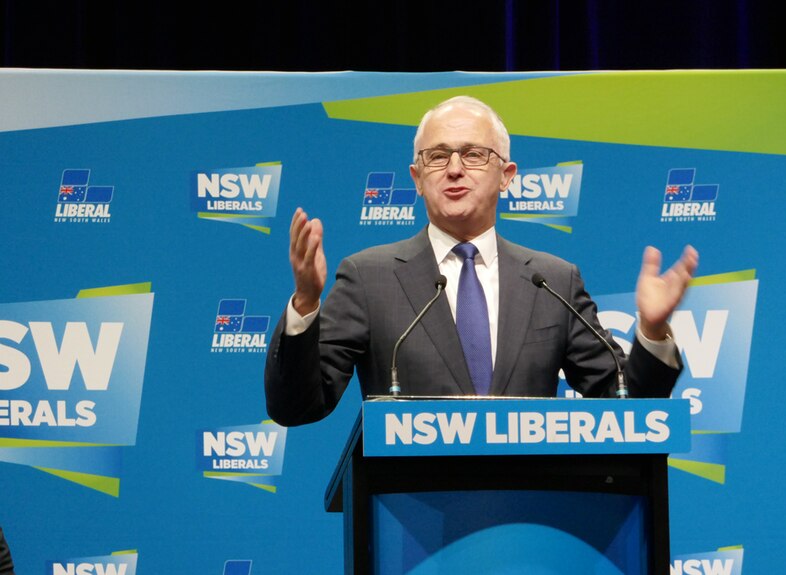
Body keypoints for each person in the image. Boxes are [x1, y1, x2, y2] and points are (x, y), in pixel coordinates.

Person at [265, 96, 698, 426]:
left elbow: (624, 406)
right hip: (412, 518)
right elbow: (297, 407)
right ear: (417, 179)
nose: (454, 169)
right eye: (437, 156)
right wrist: (305, 304)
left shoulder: (552, 281)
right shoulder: (368, 277)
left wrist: (653, 331)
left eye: (473, 154)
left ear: (507, 175)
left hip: (533, 513)